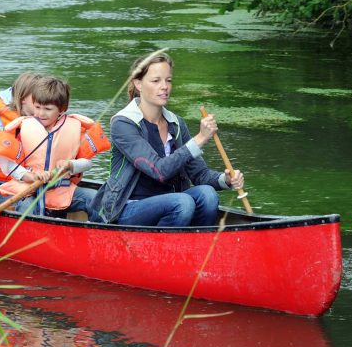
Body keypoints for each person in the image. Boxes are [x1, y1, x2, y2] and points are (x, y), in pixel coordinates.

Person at [90, 52, 244, 227]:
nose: (164, 86)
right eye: (156, 81)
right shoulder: (123, 124)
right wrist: (200, 138)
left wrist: (226, 180)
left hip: (172, 201)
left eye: (168, 80)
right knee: (182, 203)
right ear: (138, 83)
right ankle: (166, 250)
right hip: (126, 208)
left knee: (208, 195)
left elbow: (199, 174)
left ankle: (195, 246)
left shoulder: (176, 124)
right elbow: (159, 171)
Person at [0, 76, 99, 218]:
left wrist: (71, 165)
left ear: (62, 109)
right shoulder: (21, 127)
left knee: (96, 199)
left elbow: (87, 163)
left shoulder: (75, 127)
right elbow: (7, 163)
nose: (40, 113)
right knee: (28, 208)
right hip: (26, 189)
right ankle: (30, 237)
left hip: (60, 190)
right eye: (37, 107)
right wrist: (28, 176)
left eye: (48, 109)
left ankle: (98, 236)